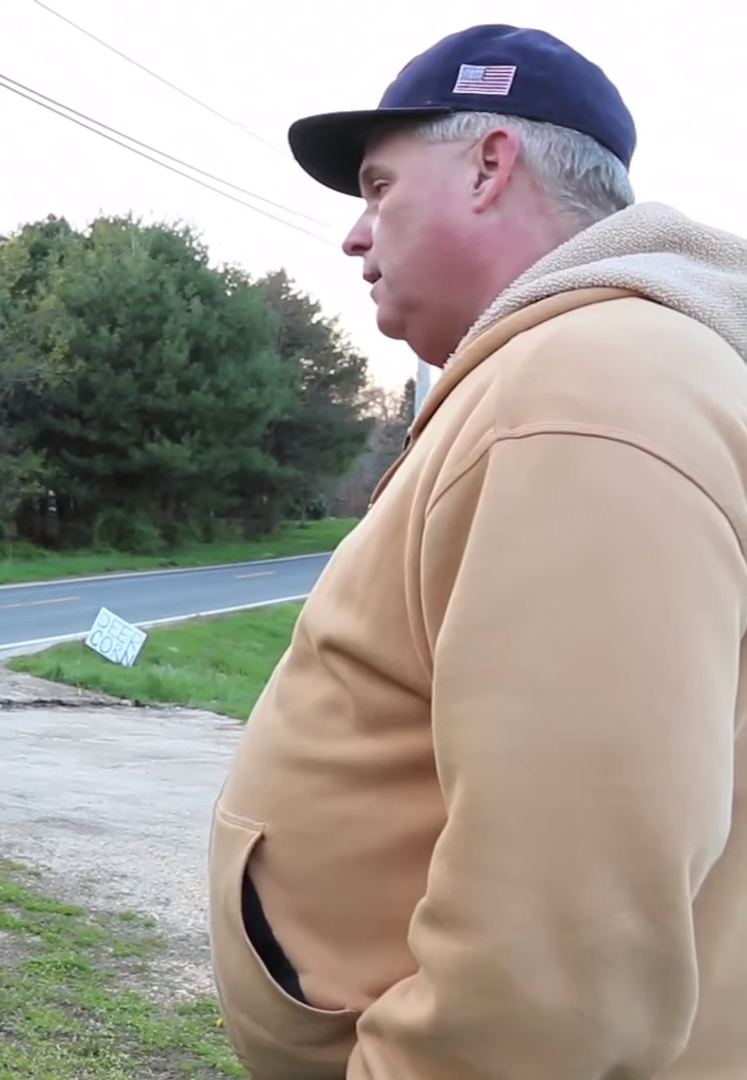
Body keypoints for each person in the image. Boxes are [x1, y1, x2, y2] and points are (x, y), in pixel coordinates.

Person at [207, 22, 747, 1079]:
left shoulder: (591, 388)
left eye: (378, 187)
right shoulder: (583, 371)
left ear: (490, 165)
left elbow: (564, 933)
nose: (355, 235)